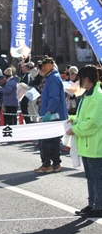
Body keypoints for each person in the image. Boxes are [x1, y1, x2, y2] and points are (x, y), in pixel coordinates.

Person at [66, 65, 102, 218]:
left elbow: (93, 123)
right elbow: (83, 118)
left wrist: (75, 129)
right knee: (91, 176)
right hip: (88, 143)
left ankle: (98, 205)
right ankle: (93, 203)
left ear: (87, 79)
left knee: (96, 177)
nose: (79, 82)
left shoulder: (98, 96)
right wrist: (73, 120)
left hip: (95, 144)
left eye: (80, 79)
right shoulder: (89, 94)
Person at [34, 57, 68, 174]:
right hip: (55, 114)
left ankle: (47, 164)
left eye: (45, 65)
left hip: (52, 114)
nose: (43, 67)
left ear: (52, 65)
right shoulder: (53, 77)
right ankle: (56, 164)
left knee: (46, 140)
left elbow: (54, 98)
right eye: (42, 65)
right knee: (53, 141)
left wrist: (48, 112)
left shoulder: (52, 78)